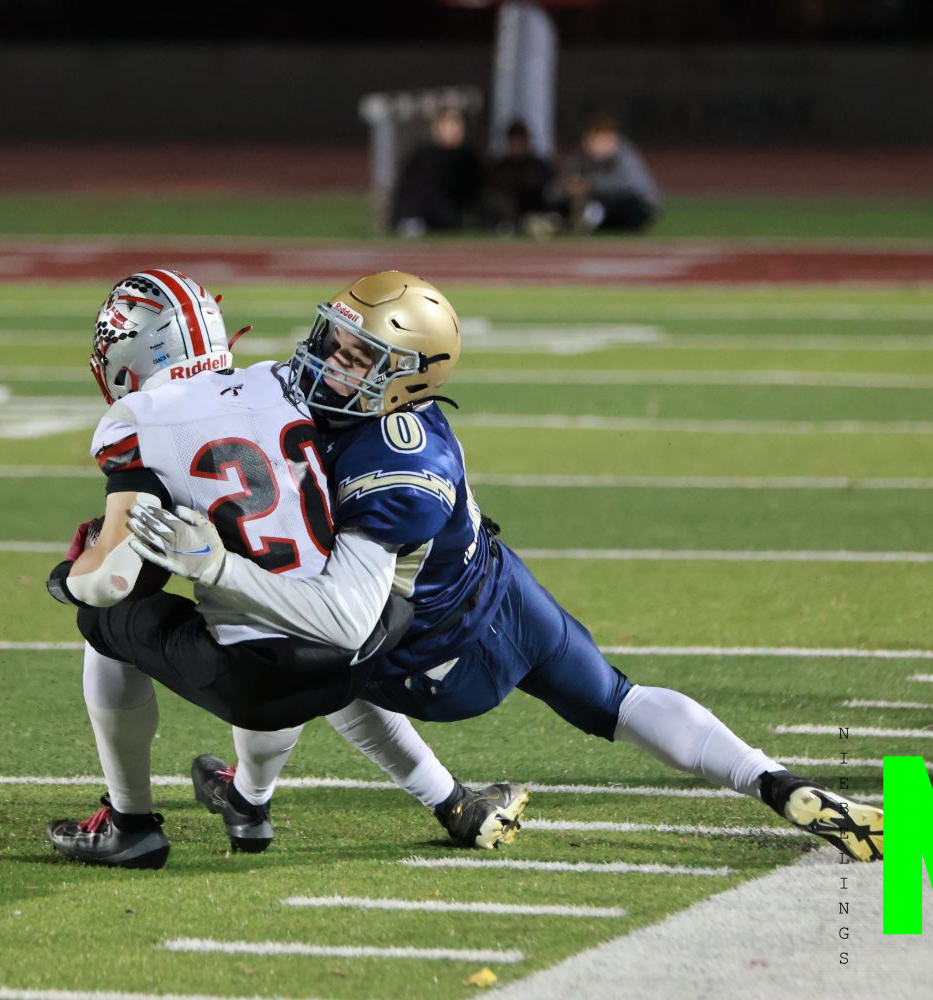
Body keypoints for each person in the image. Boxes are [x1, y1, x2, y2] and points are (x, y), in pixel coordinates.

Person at [127, 271, 884, 864]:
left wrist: (214, 561)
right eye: (335, 338)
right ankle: (772, 780)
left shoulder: (391, 461)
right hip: (500, 592)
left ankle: (292, 798)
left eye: (360, 357)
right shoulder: (394, 422)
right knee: (618, 699)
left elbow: (345, 611)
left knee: (311, 643)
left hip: (429, 656)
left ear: (406, 378)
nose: (331, 361)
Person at [44, 269, 527, 869]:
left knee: (108, 621)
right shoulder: (283, 381)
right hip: (360, 654)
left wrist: (66, 577)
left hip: (264, 677)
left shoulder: (136, 420)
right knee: (303, 613)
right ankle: (254, 804)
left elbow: (111, 580)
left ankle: (129, 823)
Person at [556, 115, 662, 233]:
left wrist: (589, 185)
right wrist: (570, 187)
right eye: (597, 140)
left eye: (606, 140)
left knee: (617, 200)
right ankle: (568, 220)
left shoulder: (625, 157)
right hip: (604, 209)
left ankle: (588, 218)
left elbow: (630, 187)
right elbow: (564, 182)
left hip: (637, 208)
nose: (602, 145)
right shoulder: (581, 159)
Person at [388, 107, 483, 237]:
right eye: (447, 125)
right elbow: (406, 187)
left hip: (449, 210)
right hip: (419, 207)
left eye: (456, 125)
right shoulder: (423, 153)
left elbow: (474, 189)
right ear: (437, 128)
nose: (452, 129)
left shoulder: (467, 156)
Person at [482, 120, 559, 236]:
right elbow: (492, 192)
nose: (518, 144)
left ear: (527, 141)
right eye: (514, 140)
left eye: (521, 140)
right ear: (509, 141)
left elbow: (549, 188)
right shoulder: (500, 167)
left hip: (535, 211)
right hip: (509, 214)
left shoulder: (538, 165)